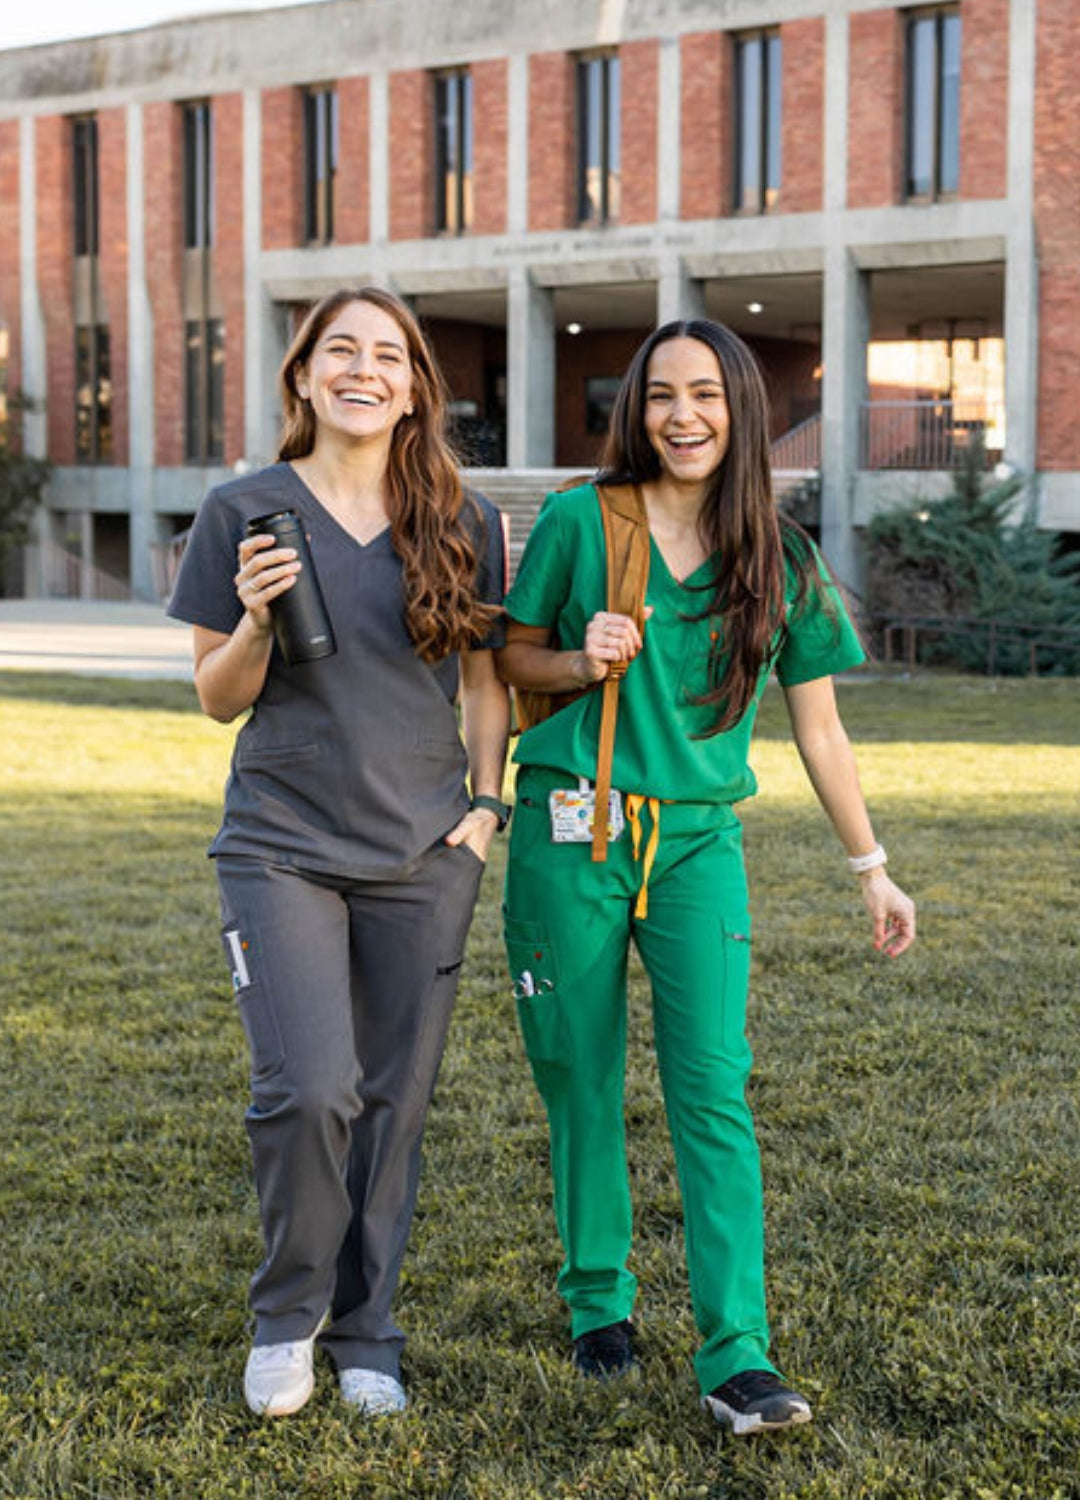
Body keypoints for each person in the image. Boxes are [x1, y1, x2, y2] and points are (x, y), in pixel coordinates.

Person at [496, 319, 915, 1436]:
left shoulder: (778, 553)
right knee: (579, 1078)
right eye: (662, 396)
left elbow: (819, 731)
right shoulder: (586, 520)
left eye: (708, 396)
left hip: (693, 848)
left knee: (713, 1094)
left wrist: (871, 868)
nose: (683, 416)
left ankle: (737, 1353)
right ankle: (599, 1304)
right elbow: (509, 657)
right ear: (635, 410)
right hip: (568, 836)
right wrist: (576, 656)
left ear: (742, 412)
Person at [168, 286, 510, 1419]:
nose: (366, 370)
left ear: (415, 386)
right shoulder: (243, 510)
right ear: (304, 375)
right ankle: (287, 1317)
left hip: (424, 850)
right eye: (342, 352)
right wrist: (259, 621)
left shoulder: (462, 519)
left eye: (390, 356)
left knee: (392, 1106)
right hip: (283, 848)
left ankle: (368, 1331)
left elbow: (481, 681)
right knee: (309, 1091)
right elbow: (217, 699)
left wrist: (487, 807)